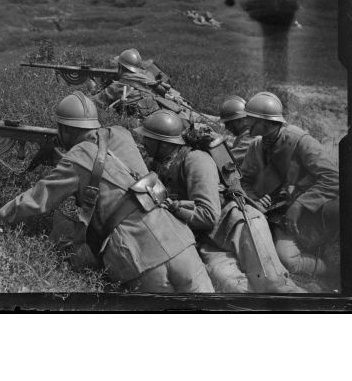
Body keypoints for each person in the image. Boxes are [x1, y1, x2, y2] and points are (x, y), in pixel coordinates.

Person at [0, 91, 214, 293]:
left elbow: (37, 199)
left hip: (141, 257)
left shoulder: (77, 159)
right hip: (177, 239)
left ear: (65, 129)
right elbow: (116, 171)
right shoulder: (122, 134)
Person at [136, 109, 305, 293]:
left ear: (164, 143)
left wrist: (175, 208)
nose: (143, 142)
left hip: (240, 226)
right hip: (210, 240)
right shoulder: (158, 165)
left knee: (273, 284)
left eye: (148, 138)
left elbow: (208, 216)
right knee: (235, 288)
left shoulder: (195, 160)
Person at [240, 92, 339, 278]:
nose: (246, 123)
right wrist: (254, 200)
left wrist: (301, 204)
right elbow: (243, 180)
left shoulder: (301, 141)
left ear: (266, 123)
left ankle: (336, 268)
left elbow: (332, 177)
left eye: (250, 119)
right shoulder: (256, 146)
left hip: (310, 211)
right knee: (287, 260)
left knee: (288, 260)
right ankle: (326, 266)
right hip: (278, 214)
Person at [88, 48, 195, 123]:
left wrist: (91, 85)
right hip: (169, 116)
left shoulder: (117, 87)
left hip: (146, 123)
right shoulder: (148, 77)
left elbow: (91, 103)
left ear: (120, 67)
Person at [219, 95, 255, 166]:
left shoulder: (252, 137)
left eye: (228, 123)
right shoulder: (244, 135)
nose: (227, 127)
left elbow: (227, 160)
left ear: (240, 120)